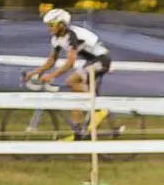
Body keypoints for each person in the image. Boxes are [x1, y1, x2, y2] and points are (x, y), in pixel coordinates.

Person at [23, 8, 113, 138]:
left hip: (102, 59)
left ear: (61, 24)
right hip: (92, 60)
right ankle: (79, 129)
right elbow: (51, 61)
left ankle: (98, 109)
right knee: (75, 91)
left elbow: (70, 62)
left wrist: (51, 76)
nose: (49, 28)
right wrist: (34, 73)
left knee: (72, 80)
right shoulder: (56, 38)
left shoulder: (71, 35)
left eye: (51, 25)